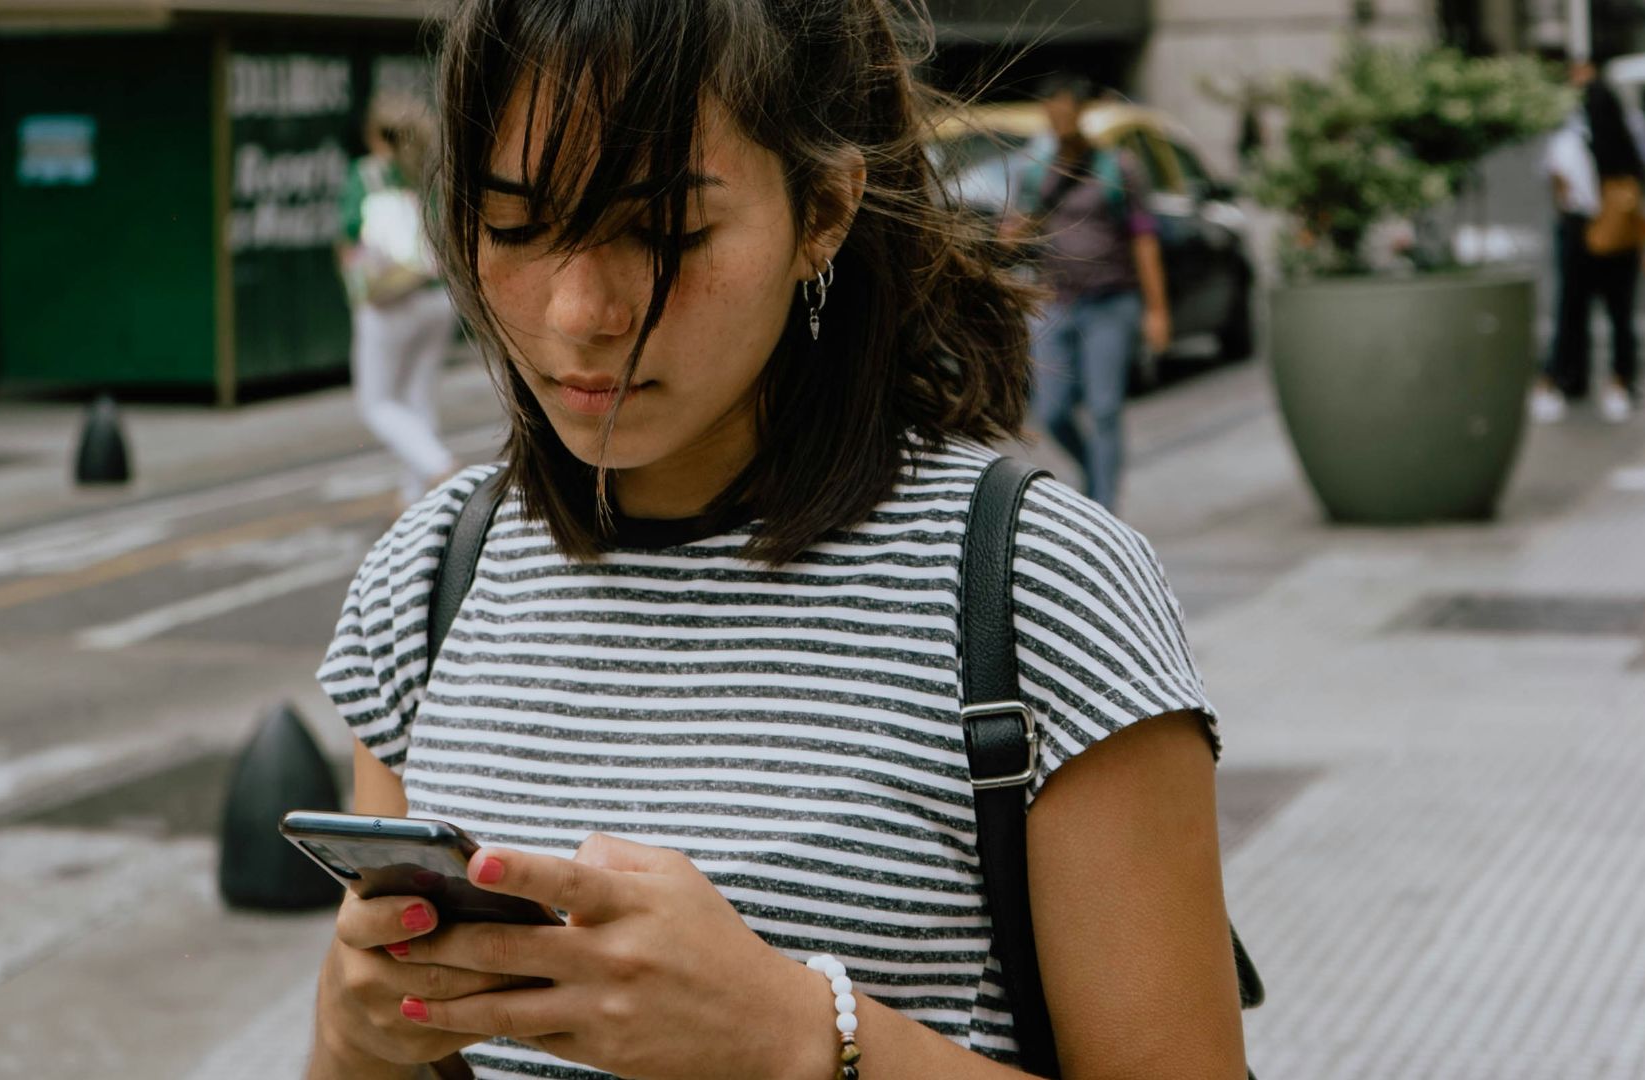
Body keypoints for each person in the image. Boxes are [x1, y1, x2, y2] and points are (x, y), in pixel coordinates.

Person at [309, 3, 1246, 1079]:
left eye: (664, 230)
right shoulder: (429, 575)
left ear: (825, 212)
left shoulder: (1038, 588)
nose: (579, 311)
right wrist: (352, 1031)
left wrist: (801, 1036)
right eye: (515, 226)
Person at [997, 76, 1170, 514]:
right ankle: (1095, 473)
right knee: (1052, 411)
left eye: (1065, 110)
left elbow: (1144, 239)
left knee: (1105, 408)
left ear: (1080, 112)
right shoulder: (1036, 170)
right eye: (1051, 112)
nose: (1058, 120)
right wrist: (1011, 236)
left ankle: (1105, 507)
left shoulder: (1117, 166)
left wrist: (1157, 310)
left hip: (1112, 301)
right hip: (1056, 300)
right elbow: (1024, 227)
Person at [338, 93, 459, 503]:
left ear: (376, 135)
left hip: (388, 302)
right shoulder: (431, 173)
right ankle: (416, 502)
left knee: (377, 404)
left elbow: (350, 230)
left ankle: (439, 467)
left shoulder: (368, 174)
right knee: (418, 397)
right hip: (438, 297)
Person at [1532, 75, 1645, 426]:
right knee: (1621, 314)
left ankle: (1569, 377)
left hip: (1580, 233)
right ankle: (1621, 380)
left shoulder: (1572, 138)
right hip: (1621, 235)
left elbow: (1561, 183)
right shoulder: (1629, 135)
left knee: (1572, 311)